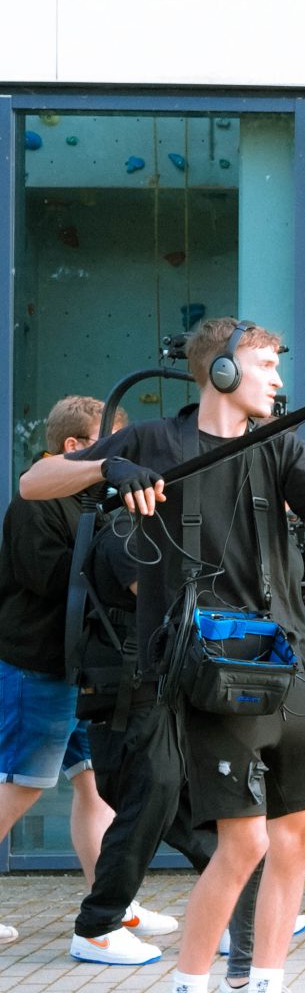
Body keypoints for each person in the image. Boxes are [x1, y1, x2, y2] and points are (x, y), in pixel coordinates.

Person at [23, 316, 305, 993]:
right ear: (219, 372)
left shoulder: (281, 445)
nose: (279, 379)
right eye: (263, 363)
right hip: (207, 668)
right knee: (245, 839)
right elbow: (34, 482)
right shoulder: (153, 440)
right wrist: (103, 470)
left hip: (286, 659)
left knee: (300, 834)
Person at [0, 396, 170, 954]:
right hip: (37, 665)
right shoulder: (35, 503)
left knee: (92, 781)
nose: (114, 461)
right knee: (22, 784)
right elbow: (51, 578)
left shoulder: (90, 498)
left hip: (75, 667)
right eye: (106, 449)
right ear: (75, 447)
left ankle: (112, 902)